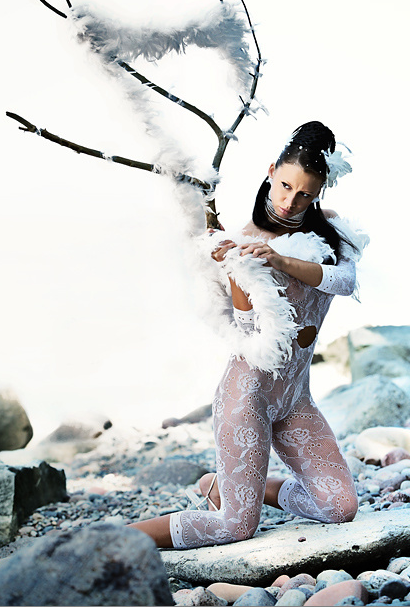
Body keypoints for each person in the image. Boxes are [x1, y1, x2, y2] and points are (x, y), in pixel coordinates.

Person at [129, 120, 367, 549]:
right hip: (248, 395)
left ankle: (231, 486)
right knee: (236, 527)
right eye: (285, 186)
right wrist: (236, 269)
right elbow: (249, 334)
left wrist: (281, 261)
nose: (290, 201)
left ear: (319, 193)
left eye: (305, 194)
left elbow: (345, 282)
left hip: (295, 398)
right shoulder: (244, 239)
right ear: (271, 171)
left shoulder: (331, 232)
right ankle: (105, 539)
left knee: (340, 507)